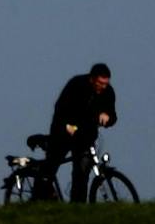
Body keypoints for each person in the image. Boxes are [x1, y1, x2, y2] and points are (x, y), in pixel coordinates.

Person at [40, 63, 117, 202]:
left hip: (86, 136)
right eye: (100, 83)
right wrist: (67, 125)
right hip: (64, 132)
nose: (103, 87)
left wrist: (108, 116)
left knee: (81, 174)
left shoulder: (108, 92)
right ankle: (40, 194)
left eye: (106, 83)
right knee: (51, 165)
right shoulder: (76, 84)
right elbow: (60, 107)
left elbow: (112, 115)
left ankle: (77, 206)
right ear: (92, 79)